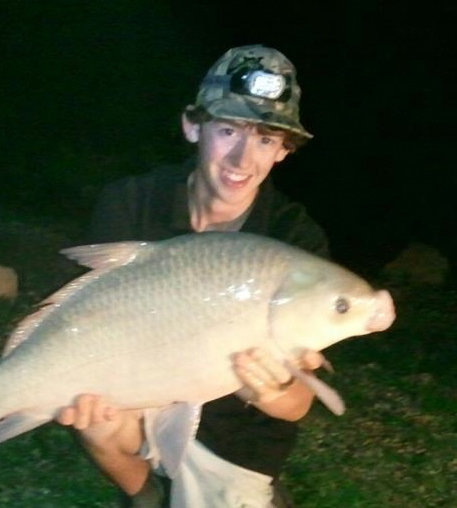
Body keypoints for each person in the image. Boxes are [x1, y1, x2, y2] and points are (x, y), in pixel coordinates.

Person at [57, 45, 329, 507]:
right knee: (97, 420)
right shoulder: (132, 202)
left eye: (265, 140)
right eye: (228, 130)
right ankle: (143, 495)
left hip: (235, 437)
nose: (243, 160)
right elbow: (82, 313)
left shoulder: (294, 241)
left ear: (283, 150)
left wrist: (273, 389)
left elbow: (298, 406)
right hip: (139, 393)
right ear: (192, 125)